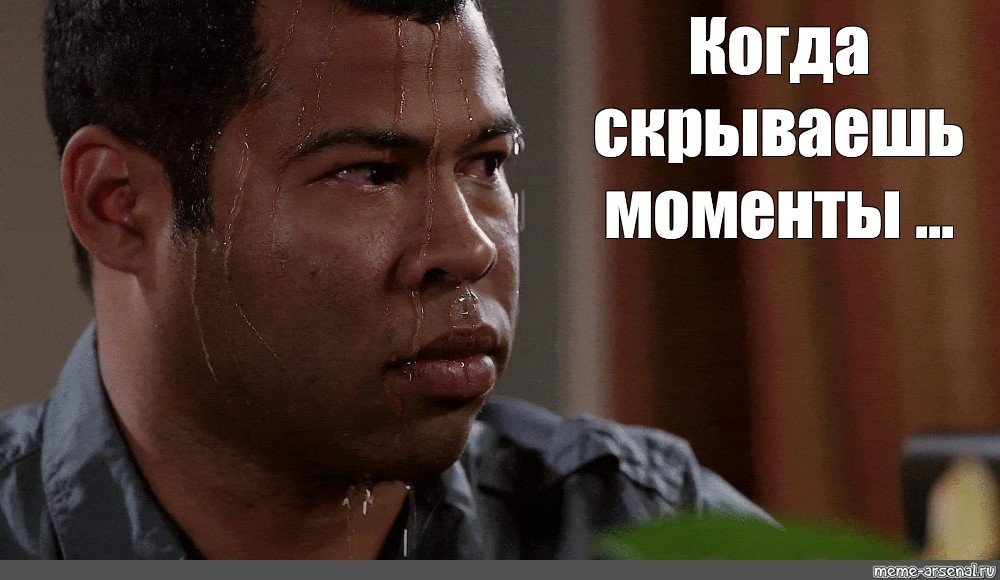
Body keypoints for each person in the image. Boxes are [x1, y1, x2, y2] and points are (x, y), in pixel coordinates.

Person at [0, 0, 770, 559]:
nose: (469, 249)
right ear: (118, 205)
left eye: (485, 164)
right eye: (370, 173)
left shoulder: (645, 530)